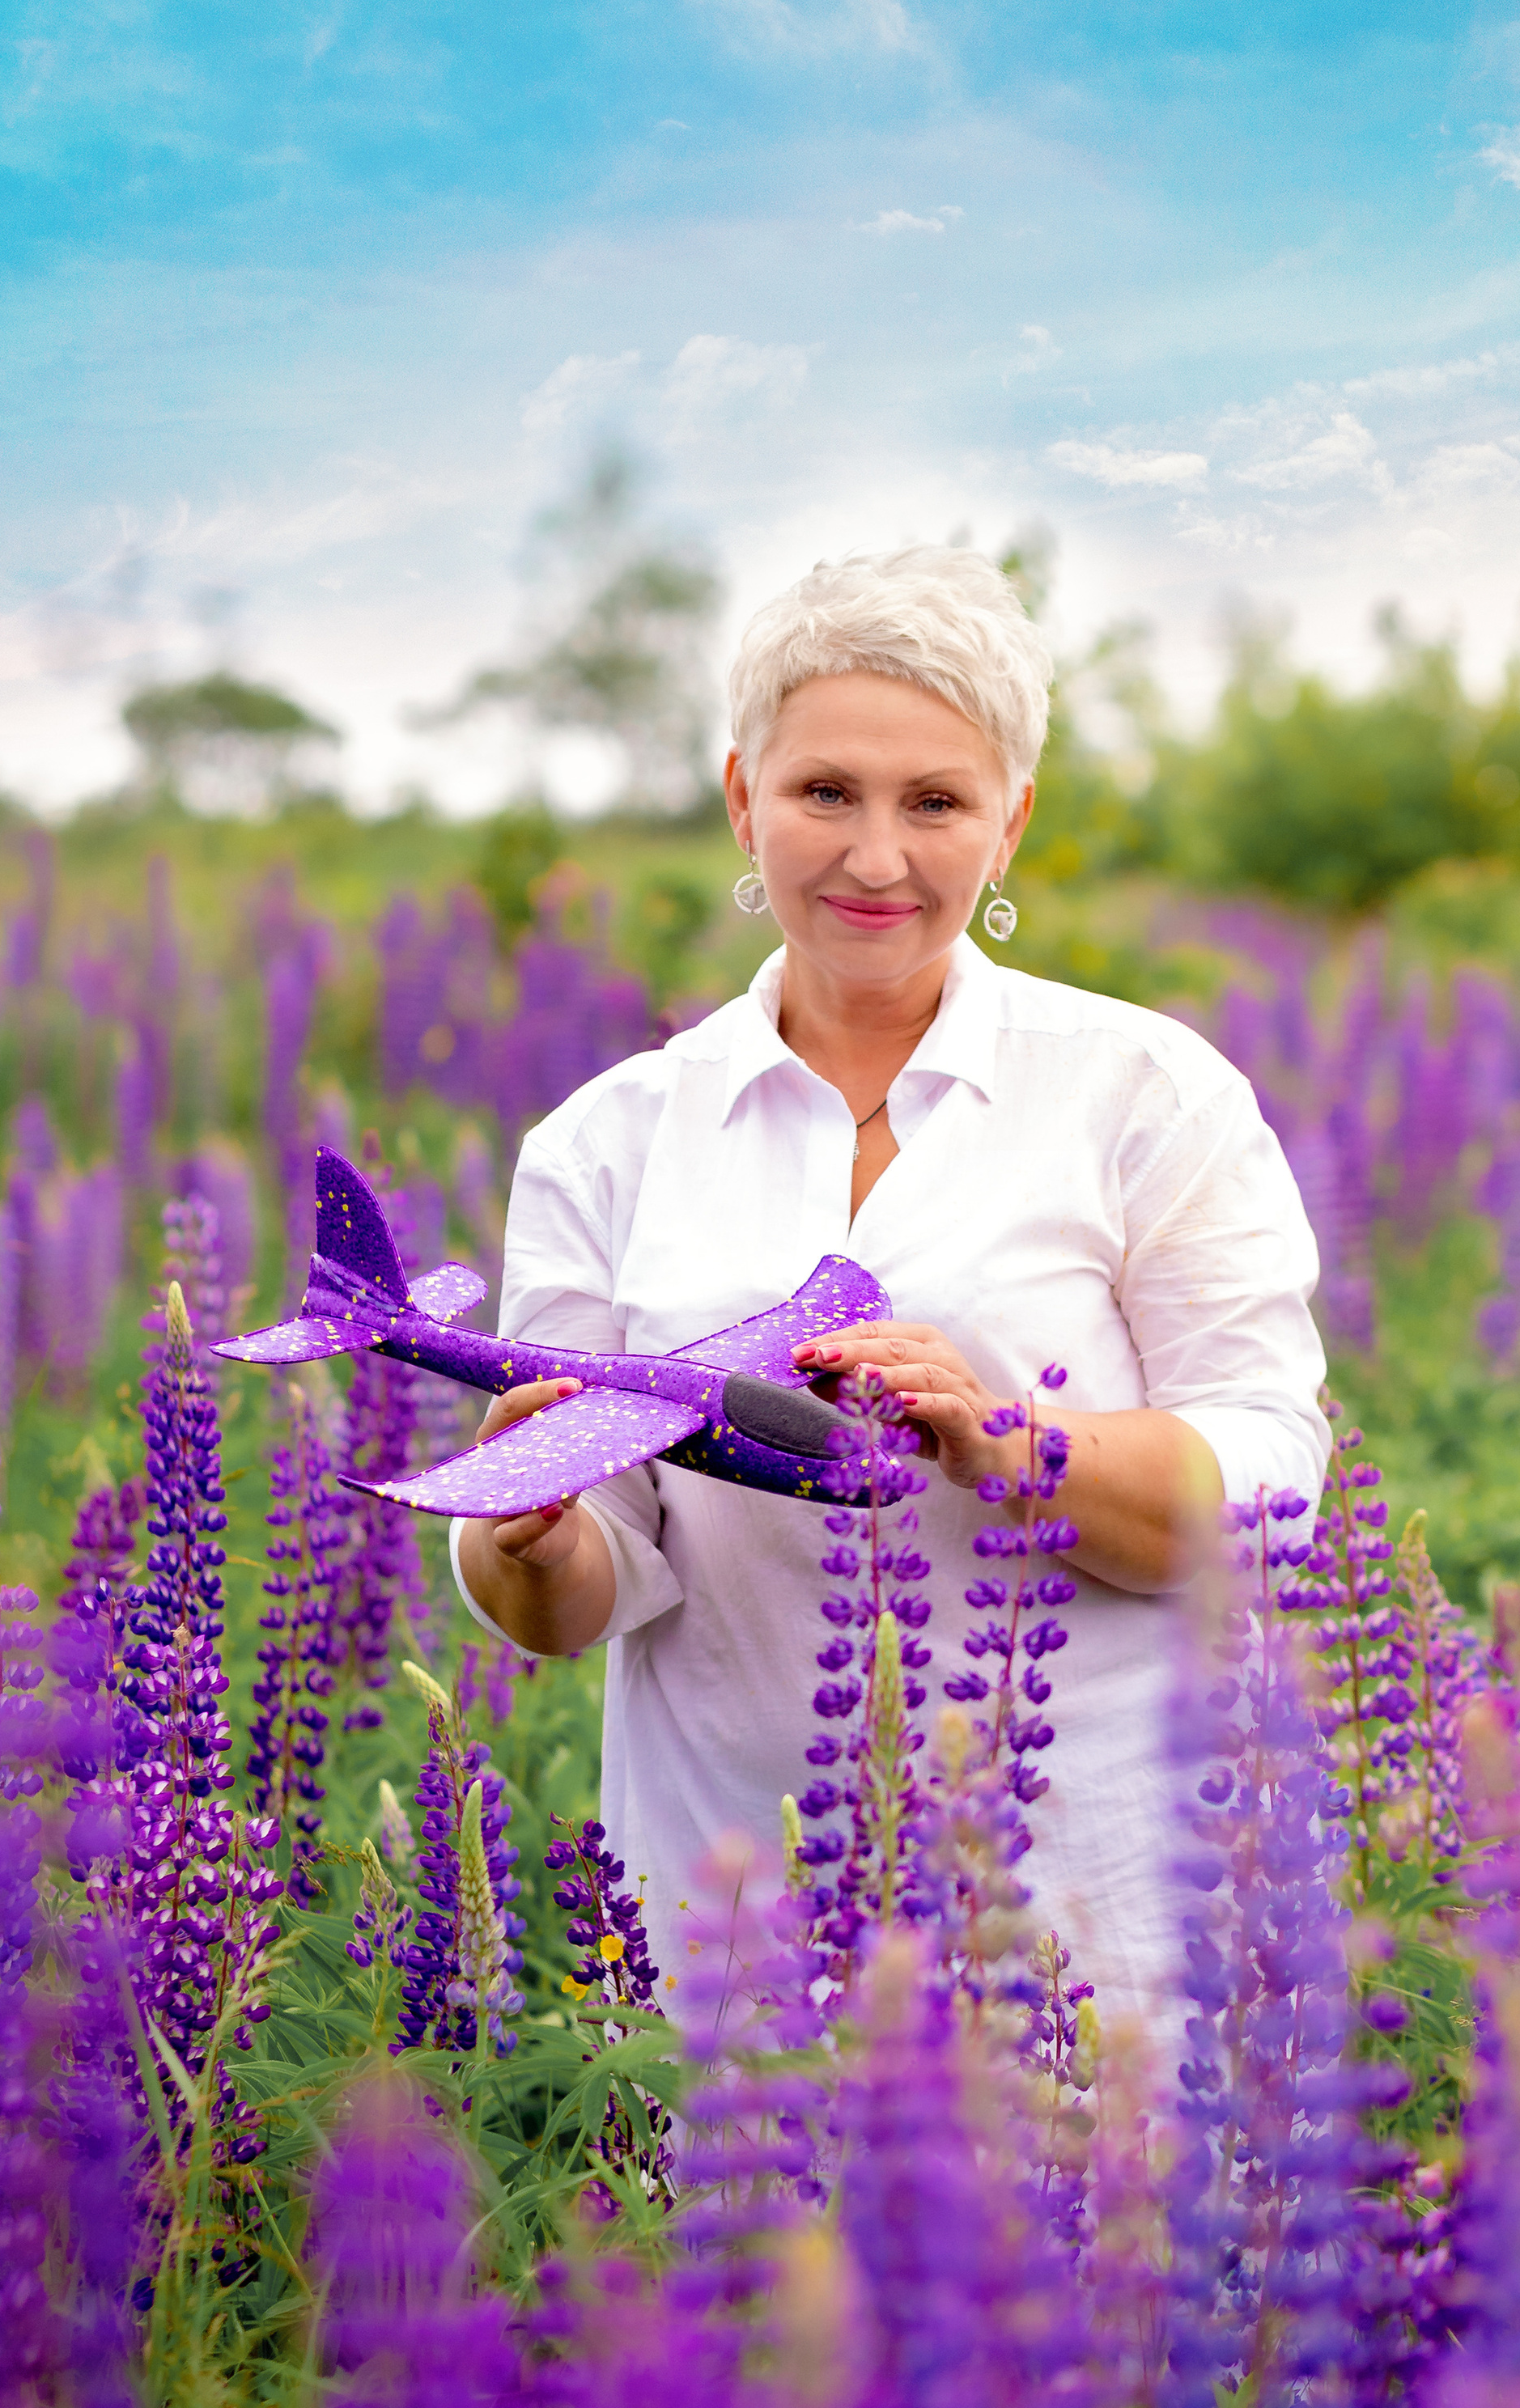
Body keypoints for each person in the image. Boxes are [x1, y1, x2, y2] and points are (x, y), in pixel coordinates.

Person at [449, 545, 1328, 2031]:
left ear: (1012, 822)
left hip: (1090, 1928)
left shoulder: (1146, 1092)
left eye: (936, 801)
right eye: (824, 794)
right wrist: (527, 1534)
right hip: (733, 1908)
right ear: (742, 797)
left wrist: (1015, 1445)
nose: (875, 856)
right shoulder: (606, 1142)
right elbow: (584, 1581)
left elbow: (1273, 1474)